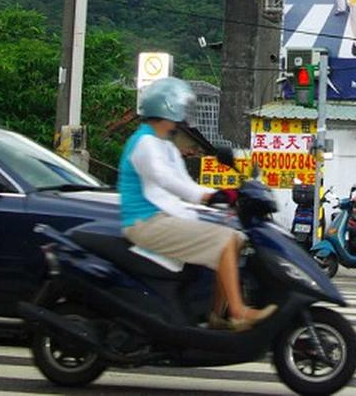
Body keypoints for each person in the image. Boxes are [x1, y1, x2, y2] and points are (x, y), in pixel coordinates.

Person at [119, 77, 277, 331]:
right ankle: (238, 313)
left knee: (236, 239)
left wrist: (220, 194)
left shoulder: (164, 145)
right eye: (179, 108)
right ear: (166, 108)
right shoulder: (145, 143)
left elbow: (184, 183)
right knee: (225, 240)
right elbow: (165, 179)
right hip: (145, 222)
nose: (183, 114)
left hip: (163, 217)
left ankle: (217, 315)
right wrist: (209, 196)